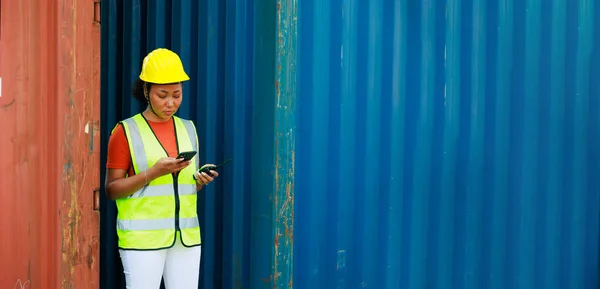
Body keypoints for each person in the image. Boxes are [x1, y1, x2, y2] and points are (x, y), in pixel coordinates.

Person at [105, 48, 217, 289]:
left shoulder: (188, 128)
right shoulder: (125, 131)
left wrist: (199, 181)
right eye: (162, 95)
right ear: (146, 91)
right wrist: (154, 172)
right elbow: (112, 190)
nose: (170, 103)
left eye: (177, 94)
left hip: (185, 239)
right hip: (142, 242)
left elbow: (181, 189)